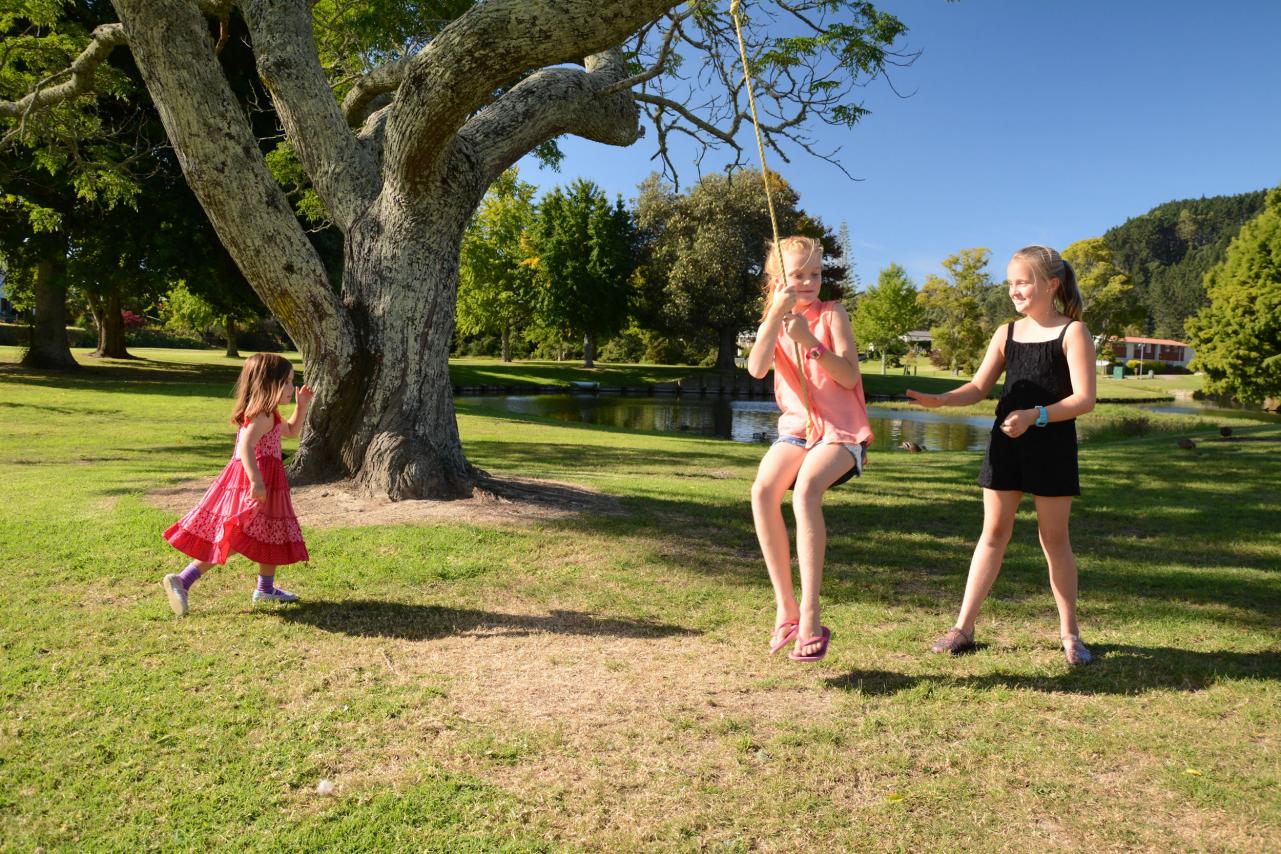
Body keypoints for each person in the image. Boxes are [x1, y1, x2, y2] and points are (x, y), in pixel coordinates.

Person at [907, 245, 1097, 664]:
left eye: (1023, 282)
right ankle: (964, 628)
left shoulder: (1074, 333)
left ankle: (1071, 635)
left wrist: (1036, 416)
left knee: (1055, 541)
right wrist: (941, 401)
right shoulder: (1005, 332)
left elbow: (1085, 399)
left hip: (1052, 447)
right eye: (1011, 283)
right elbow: (977, 388)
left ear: (1051, 284)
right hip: (1005, 445)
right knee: (992, 534)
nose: (1014, 291)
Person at [747, 235, 874, 662]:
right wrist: (776, 320)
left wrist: (809, 343)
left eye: (816, 274)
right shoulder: (775, 316)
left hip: (840, 431)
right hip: (797, 431)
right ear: (777, 278)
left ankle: (811, 615)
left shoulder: (832, 314)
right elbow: (757, 367)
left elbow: (849, 377)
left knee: (805, 492)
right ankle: (785, 608)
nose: (809, 282)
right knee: (763, 491)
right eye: (799, 274)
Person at [160, 352, 312, 616]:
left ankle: (265, 589)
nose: (291, 387)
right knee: (236, 536)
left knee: (268, 532)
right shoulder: (262, 415)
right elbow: (246, 447)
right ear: (268, 382)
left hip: (267, 481)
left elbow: (291, 431)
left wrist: (302, 405)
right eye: (286, 382)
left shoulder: (268, 413)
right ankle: (183, 580)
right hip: (256, 481)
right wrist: (256, 481)